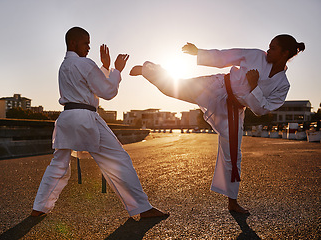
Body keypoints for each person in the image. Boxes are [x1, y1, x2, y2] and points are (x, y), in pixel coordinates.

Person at [130, 34, 305, 213]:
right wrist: (199, 52)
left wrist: (254, 87)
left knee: (233, 155)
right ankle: (149, 70)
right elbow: (227, 56)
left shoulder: (283, 85)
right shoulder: (256, 55)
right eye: (269, 46)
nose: (267, 50)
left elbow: (261, 110)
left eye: (273, 48)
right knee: (174, 88)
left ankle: (233, 202)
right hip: (218, 86)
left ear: (285, 53)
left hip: (234, 110)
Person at [31, 27, 168, 218]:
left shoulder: (64, 66)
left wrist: (104, 67)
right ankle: (143, 208)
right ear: (73, 43)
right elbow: (107, 91)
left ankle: (39, 208)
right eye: (86, 43)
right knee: (119, 159)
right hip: (85, 118)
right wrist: (116, 70)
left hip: (66, 118)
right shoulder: (85, 63)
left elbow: (90, 84)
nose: (89, 47)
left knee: (58, 165)